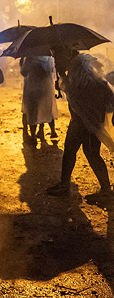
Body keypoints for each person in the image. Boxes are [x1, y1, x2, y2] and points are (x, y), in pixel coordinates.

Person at [47, 48, 114, 197]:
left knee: (91, 153)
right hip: (80, 119)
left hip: (88, 120)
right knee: (71, 150)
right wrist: (63, 78)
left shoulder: (80, 68)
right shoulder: (76, 67)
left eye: (58, 57)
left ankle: (105, 189)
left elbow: (80, 90)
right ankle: (65, 185)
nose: (57, 61)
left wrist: (63, 82)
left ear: (67, 54)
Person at [20, 56, 58, 146]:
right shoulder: (49, 58)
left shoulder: (30, 57)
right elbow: (52, 71)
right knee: (47, 109)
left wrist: (23, 63)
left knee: (33, 112)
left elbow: (24, 72)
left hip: (33, 88)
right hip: (47, 88)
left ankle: (33, 136)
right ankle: (49, 130)